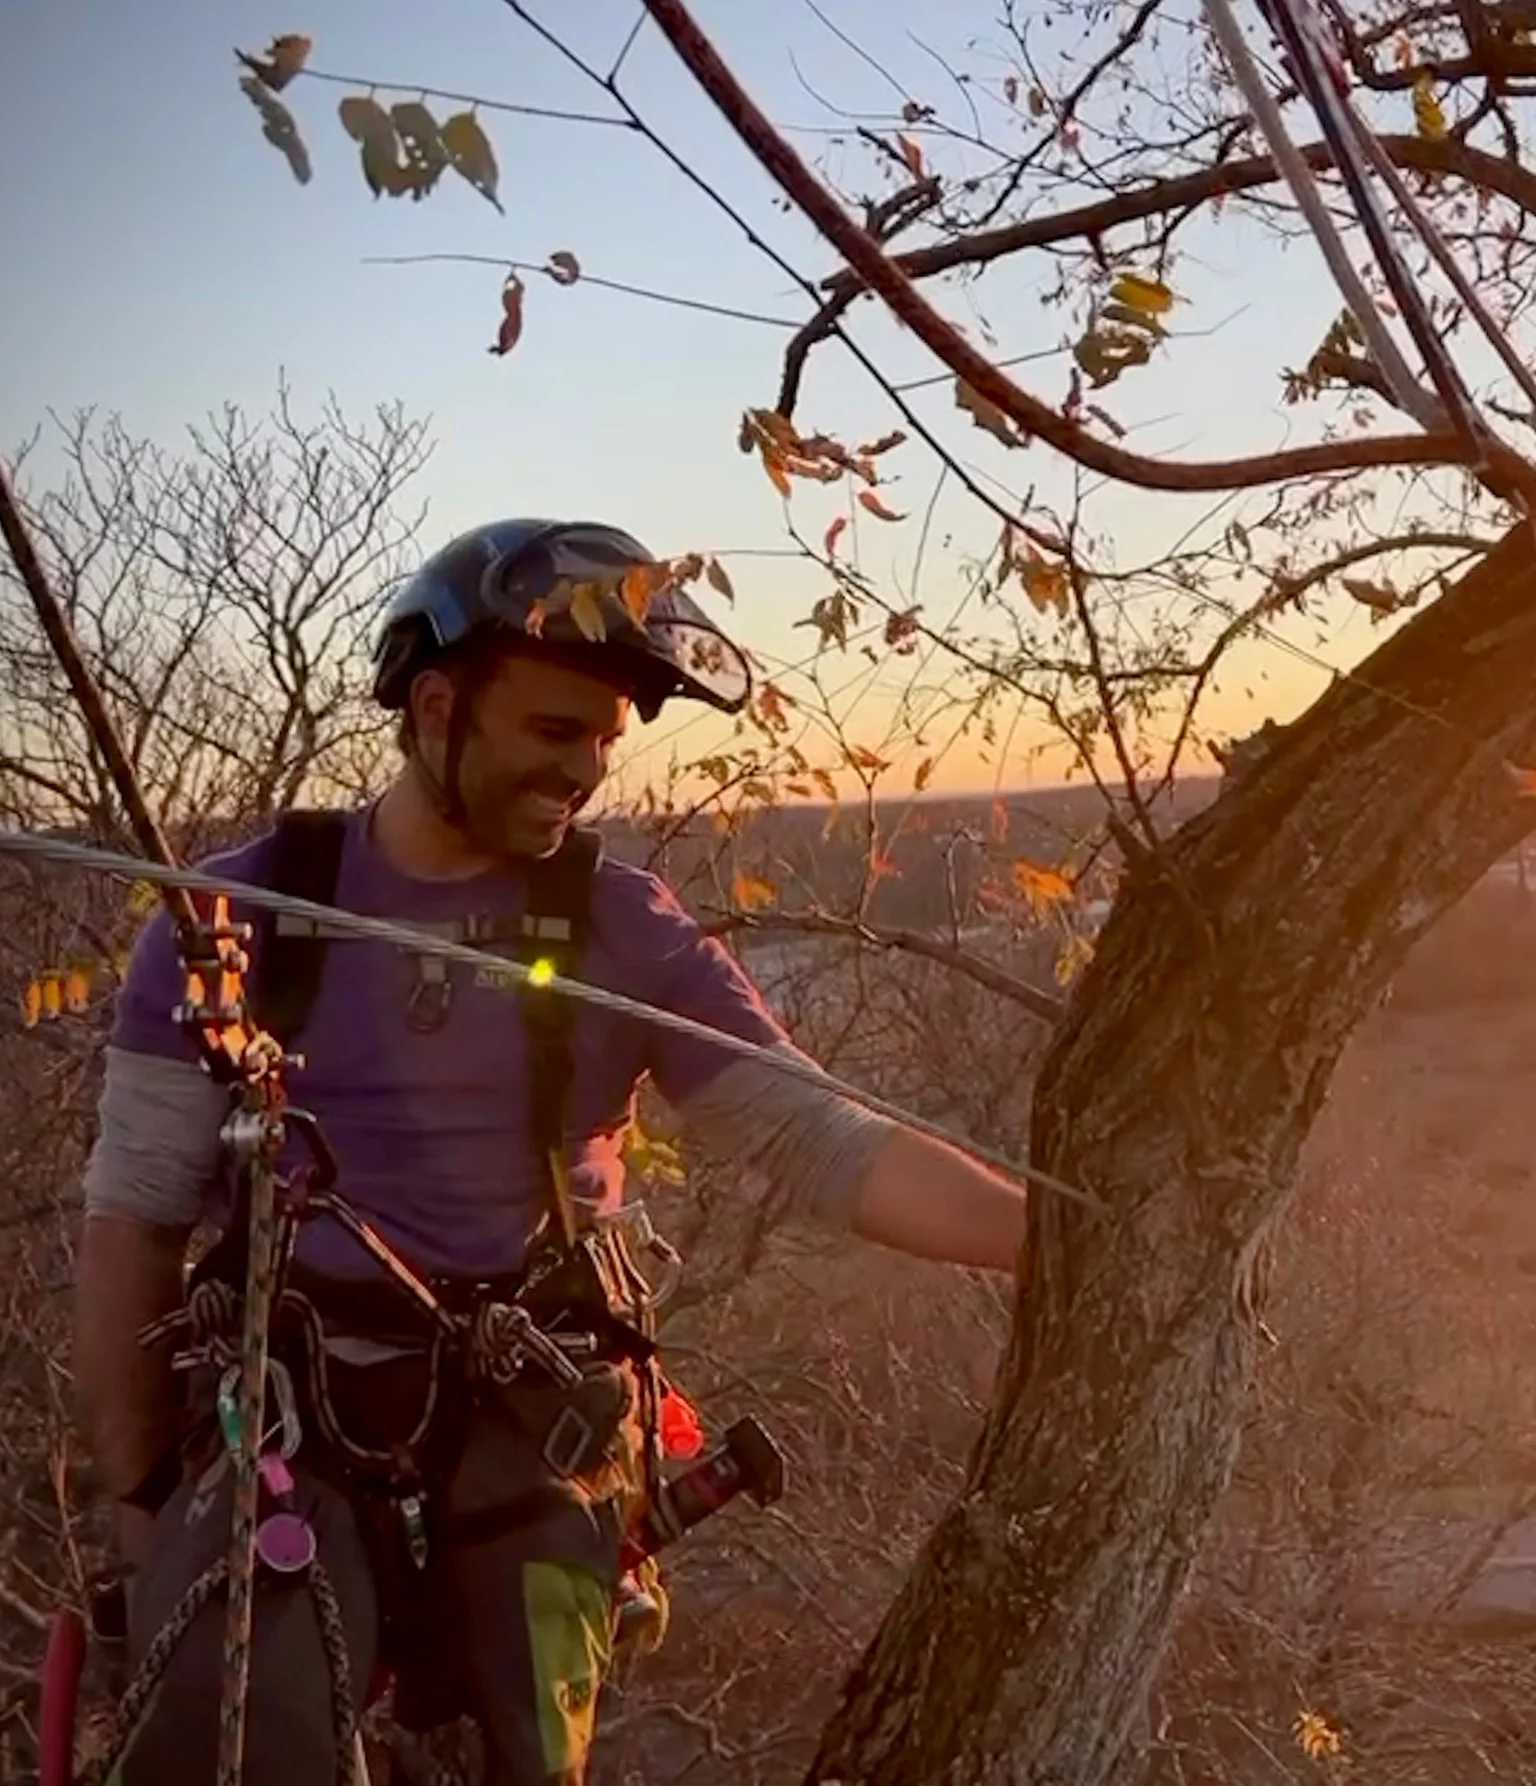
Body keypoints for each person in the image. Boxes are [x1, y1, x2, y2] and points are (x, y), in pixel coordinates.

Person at [72, 517, 1028, 1785]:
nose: (581, 771)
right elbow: (135, 1217)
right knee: (238, 1732)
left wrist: (1055, 1242)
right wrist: (139, 1504)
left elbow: (817, 1142)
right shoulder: (240, 920)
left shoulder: (620, 930)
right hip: (290, 1407)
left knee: (529, 1732)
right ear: (433, 707)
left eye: (600, 742)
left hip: (535, 1410)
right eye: (549, 731)